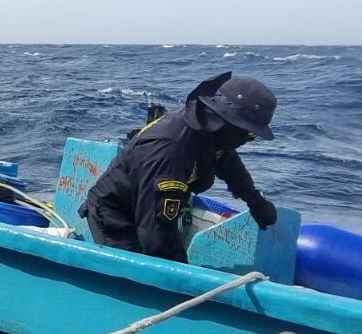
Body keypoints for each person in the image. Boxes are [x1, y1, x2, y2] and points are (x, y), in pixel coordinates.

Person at [80, 72, 279, 263]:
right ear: (230, 123)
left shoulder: (211, 129)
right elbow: (156, 237)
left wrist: (254, 199)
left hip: (152, 206)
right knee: (138, 276)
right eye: (250, 134)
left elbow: (227, 161)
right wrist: (185, 278)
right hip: (117, 214)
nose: (249, 140)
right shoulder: (170, 151)